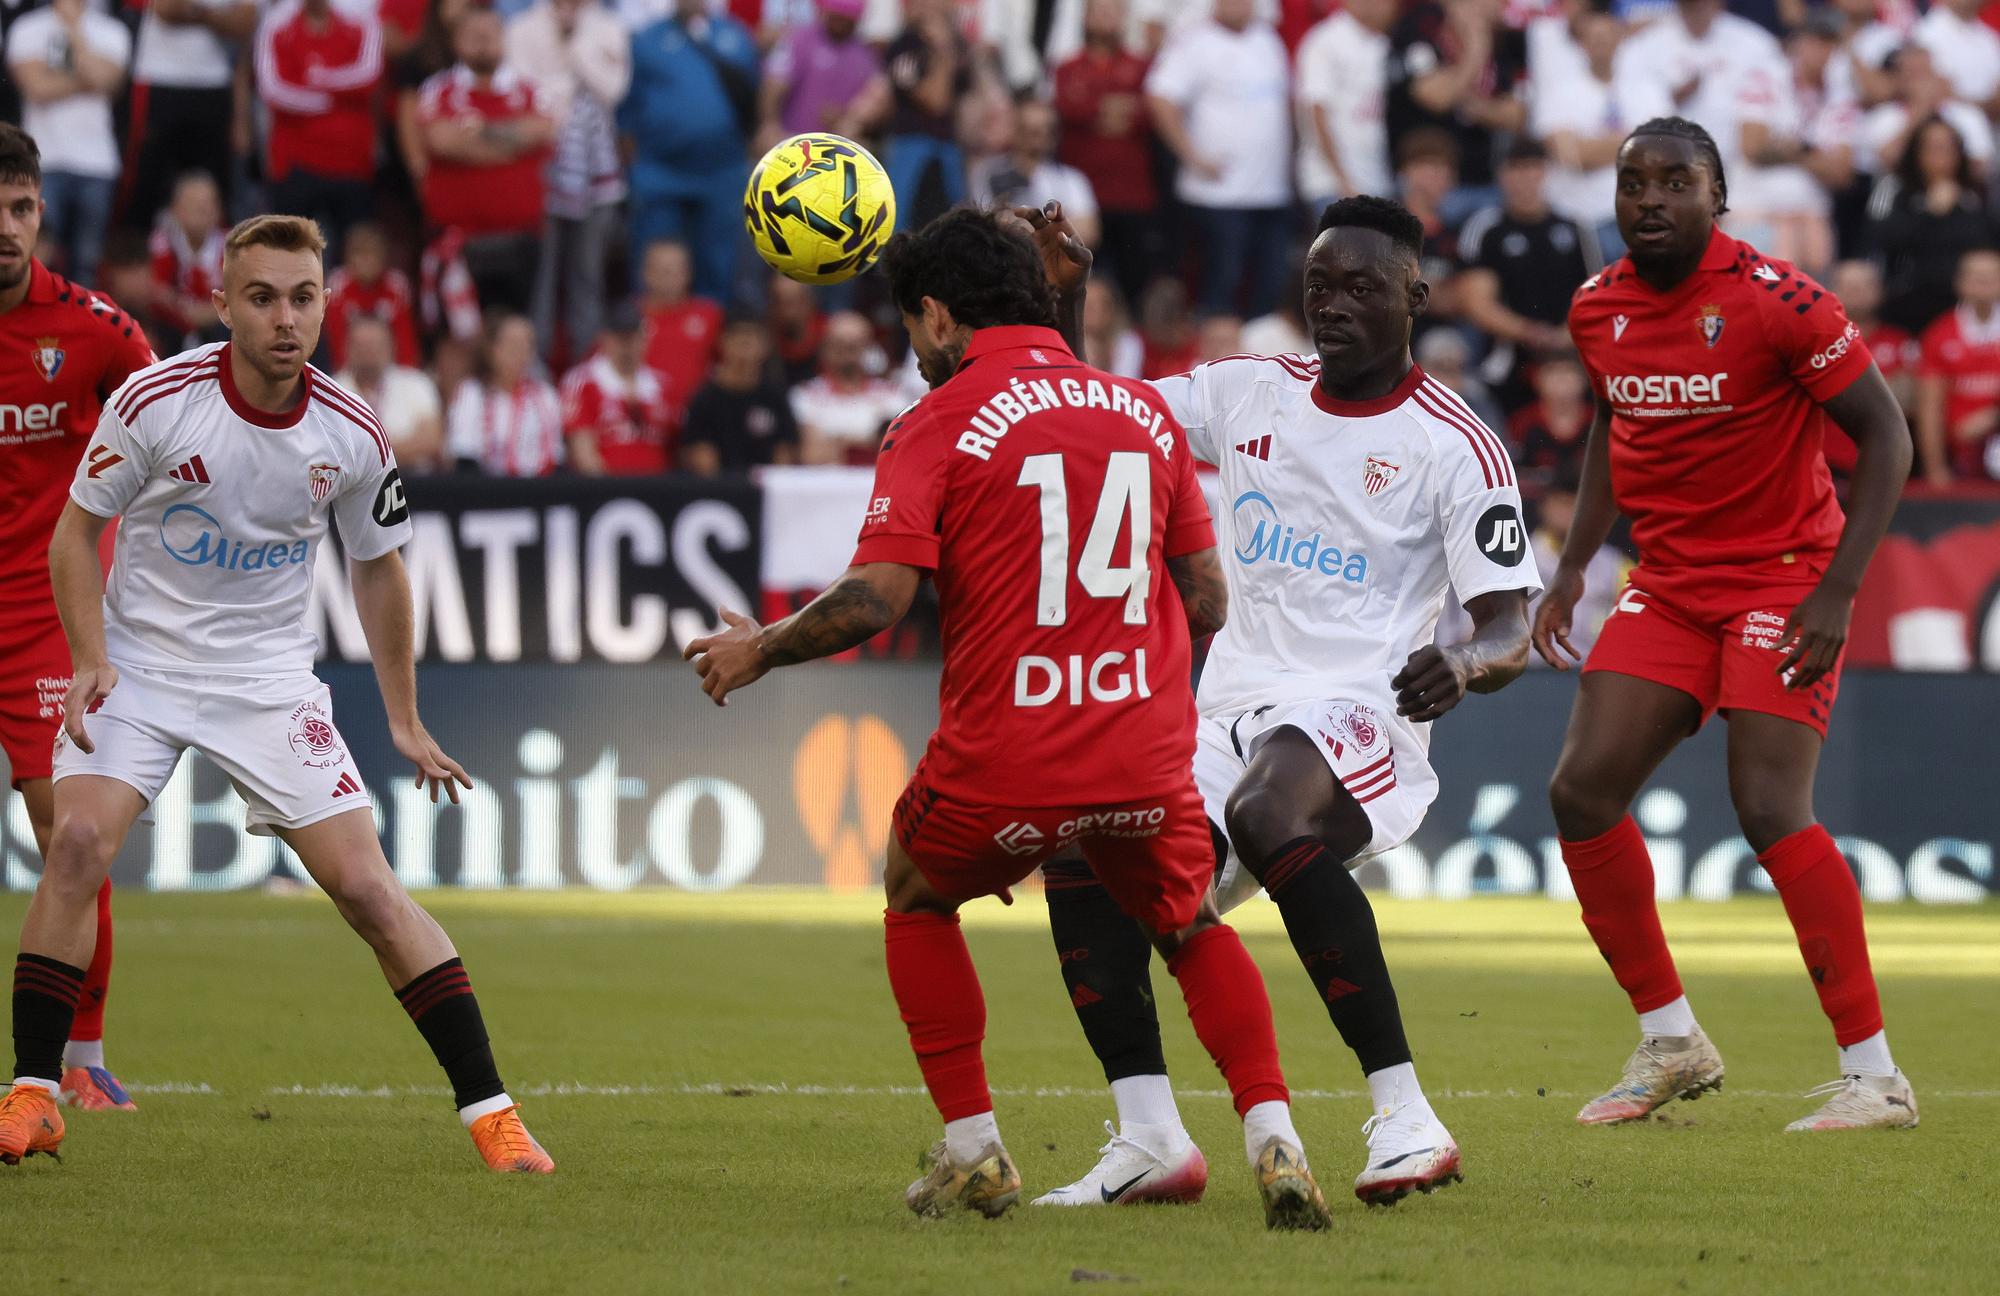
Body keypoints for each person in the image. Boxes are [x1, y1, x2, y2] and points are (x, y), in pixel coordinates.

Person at [683, 206, 1333, 1230]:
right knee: (1185, 923)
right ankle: (1275, 1139)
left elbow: (878, 598)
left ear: (937, 316)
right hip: (1142, 754)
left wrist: (757, 648)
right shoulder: (1139, 412)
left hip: (1007, 757)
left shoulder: (934, 423)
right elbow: (1206, 600)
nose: (912, 350)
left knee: (911, 894)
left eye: (909, 329)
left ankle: (975, 1154)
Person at [0, 213, 553, 1173]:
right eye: (261, 298)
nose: (284, 318)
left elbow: (380, 571)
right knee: (79, 841)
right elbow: (73, 535)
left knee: (369, 891)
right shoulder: (155, 400)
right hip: (142, 663)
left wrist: (405, 717)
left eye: (302, 298)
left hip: (265, 681)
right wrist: (90, 657)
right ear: (222, 305)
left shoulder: (353, 431)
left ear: (326, 305)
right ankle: (34, 1094)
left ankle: (493, 1115)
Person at [1031, 197, 1539, 1209]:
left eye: (1359, 286)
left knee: (1267, 813)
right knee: (1083, 843)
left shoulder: (1453, 445)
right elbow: (1095, 412)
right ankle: (1147, 1141)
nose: (1333, 305)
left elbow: (1508, 625)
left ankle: (1405, 1117)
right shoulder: (1248, 392)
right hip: (1229, 706)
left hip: (1367, 710)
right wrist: (1069, 293)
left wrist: (1467, 665)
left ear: (1413, 296)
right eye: (1317, 285)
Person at [1543, 117, 1917, 1132]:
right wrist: (1572, 564)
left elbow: (1886, 436)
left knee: (1765, 805)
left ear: (1717, 197)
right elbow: (1614, 429)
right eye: (1633, 184)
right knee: (1579, 793)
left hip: (1781, 578)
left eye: (1675, 182)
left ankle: (1873, 1076)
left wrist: (1836, 591)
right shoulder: (1594, 306)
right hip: (1666, 583)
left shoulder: (1779, 301)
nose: (1650, 200)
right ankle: (1669, 1040)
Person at [0, 125, 156, 1115]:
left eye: (18, 208)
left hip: (41, 614)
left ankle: (80, 1059)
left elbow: (175, 421)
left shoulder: (92, 328)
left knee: (73, 834)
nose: (4, 230)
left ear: (41, 211)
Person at [1145, 0, 1292, 320]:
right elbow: (1160, 98)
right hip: (1217, 194)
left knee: (1270, 289)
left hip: (1271, 192)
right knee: (1220, 290)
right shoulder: (1194, 41)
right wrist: (1191, 155)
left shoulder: (1268, 40)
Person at [507, 0, 630, 361]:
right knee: (541, 280)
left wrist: (572, 47)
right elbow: (525, 93)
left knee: (587, 277)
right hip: (540, 168)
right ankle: (533, 368)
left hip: (597, 172)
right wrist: (571, 84)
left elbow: (613, 89)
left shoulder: (609, 26)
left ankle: (586, 366)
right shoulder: (522, 27)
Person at [415, 6, 555, 318]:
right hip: (458, 241)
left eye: (490, 36)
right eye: (474, 36)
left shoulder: (528, 89)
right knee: (457, 338)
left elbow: (542, 130)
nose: (483, 43)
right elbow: (440, 141)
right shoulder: (438, 89)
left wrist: (477, 135)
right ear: (457, 42)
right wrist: (510, 143)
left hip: (520, 238)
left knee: (516, 329)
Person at [621, 0, 759, 305]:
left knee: (718, 264)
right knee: (655, 264)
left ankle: (708, 335)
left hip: (721, 173)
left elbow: (754, 101)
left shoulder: (736, 37)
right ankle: (652, 341)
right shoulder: (647, 40)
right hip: (661, 172)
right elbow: (627, 109)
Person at [1455, 138, 1594, 410]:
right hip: (1508, 360)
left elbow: (1594, 295)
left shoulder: (1576, 227)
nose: (1524, 177)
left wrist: (1564, 336)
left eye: (1532, 167)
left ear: (1544, 171)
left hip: (1569, 356)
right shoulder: (1486, 229)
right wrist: (1530, 332)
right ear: (1502, 175)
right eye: (1515, 168)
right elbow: (1475, 302)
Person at [5, 0, 132, 287]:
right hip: (42, 159)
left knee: (88, 261)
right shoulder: (27, 28)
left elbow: (108, 82)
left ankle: (80, 327)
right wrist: (87, 80)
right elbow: (36, 88)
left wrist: (74, 29)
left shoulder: (111, 30)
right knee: (38, 255)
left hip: (97, 162)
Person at [254, 0, 385, 264]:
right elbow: (272, 89)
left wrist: (318, 78)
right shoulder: (276, 22)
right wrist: (329, 101)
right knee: (288, 252)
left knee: (358, 254)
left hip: (351, 161)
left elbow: (370, 75)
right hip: (296, 161)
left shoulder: (361, 19)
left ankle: (346, 306)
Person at [1051, 0, 1160, 311]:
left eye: (1113, 9)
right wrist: (1115, 107)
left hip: (1133, 195)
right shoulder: (1067, 67)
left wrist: (1096, 107)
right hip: (1082, 200)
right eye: (1099, 10)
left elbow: (1148, 112)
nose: (1106, 17)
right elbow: (1070, 107)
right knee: (1080, 284)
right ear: (1085, 16)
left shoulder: (1143, 66)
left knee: (1133, 287)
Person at [1387, 0, 1527, 219]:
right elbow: (1436, 97)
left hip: (1484, 180)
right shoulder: (1421, 31)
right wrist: (1475, 50)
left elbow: (1515, 116)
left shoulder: (1501, 42)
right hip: (1426, 180)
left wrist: (1468, 104)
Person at [121, 0, 258, 225]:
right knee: (144, 187)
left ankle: (211, 258)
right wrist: (216, 15)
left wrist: (196, 13)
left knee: (213, 190)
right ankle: (138, 256)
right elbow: (166, 10)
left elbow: (245, 22)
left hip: (214, 83)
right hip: (158, 80)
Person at [1870, 115, 2000, 337]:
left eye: (1949, 148)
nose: (1942, 156)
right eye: (1933, 148)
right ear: (1916, 152)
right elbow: (1880, 240)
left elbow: (1990, 243)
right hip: (1913, 295)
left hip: (1969, 298)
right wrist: (1929, 211)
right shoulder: (1894, 188)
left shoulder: (1976, 193)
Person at [1294, 0, 1395, 215]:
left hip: (1376, 180)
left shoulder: (1382, 44)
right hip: (1332, 185)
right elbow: (1315, 113)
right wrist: (1341, 181)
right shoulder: (1327, 40)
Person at [1915, 247, 2000, 485]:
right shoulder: (1939, 334)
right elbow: (1929, 407)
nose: (1983, 283)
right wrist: (1935, 468)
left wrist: (1995, 417)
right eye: (1975, 276)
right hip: (1959, 458)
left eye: (1991, 276)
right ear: (1960, 282)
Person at [968, 99, 1101, 250]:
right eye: (1031, 131)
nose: (1038, 140)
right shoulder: (988, 173)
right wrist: (1055, 228)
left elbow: (1087, 233)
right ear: (1015, 130)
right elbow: (985, 225)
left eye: (1046, 130)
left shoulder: (1072, 180)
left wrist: (1023, 228)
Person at [559, 303, 675, 475]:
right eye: (620, 338)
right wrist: (612, 491)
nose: (627, 346)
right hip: (607, 490)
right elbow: (583, 451)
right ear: (604, 338)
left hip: (658, 490)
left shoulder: (663, 385)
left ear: (645, 339)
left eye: (633, 337)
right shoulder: (583, 382)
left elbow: (674, 448)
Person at [680, 315, 800, 473]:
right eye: (739, 336)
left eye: (753, 337)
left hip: (765, 487)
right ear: (723, 342)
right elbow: (701, 457)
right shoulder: (705, 399)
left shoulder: (775, 397)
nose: (746, 343)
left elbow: (785, 453)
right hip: (721, 489)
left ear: (766, 346)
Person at [447, 313, 564, 476]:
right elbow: (464, 456)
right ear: (493, 349)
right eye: (513, 344)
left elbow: (555, 459)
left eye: (528, 345)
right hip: (487, 492)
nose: (521, 353)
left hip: (537, 492)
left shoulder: (546, 395)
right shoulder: (471, 394)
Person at [758, 0, 878, 149]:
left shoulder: (864, 56)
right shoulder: (799, 40)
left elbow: (873, 102)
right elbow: (775, 84)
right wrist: (770, 125)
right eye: (836, 17)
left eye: (846, 19)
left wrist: (849, 119)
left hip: (836, 148)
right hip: (791, 142)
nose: (840, 24)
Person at [790, 311, 906, 465]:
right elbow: (810, 455)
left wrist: (839, 444)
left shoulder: (894, 395)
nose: (846, 354)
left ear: (869, 348)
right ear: (825, 347)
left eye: (854, 346)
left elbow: (898, 452)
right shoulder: (804, 396)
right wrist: (868, 443)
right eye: (839, 345)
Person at [338, 315, 446, 471]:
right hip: (352, 489)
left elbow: (431, 441)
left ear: (392, 346)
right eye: (362, 345)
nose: (369, 352)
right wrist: (402, 448)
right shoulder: (331, 388)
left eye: (376, 345)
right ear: (347, 347)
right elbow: (329, 450)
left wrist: (365, 456)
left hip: (413, 486)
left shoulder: (416, 383)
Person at [637, 240, 725, 410]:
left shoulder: (709, 316)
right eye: (661, 270)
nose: (668, 277)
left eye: (675, 270)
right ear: (645, 273)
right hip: (646, 420)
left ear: (688, 274)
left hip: (697, 418)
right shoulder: (629, 320)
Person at [324, 223, 423, 371]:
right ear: (347, 257)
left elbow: (406, 343)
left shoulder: (397, 286)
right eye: (359, 254)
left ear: (384, 257)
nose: (366, 261)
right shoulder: (337, 285)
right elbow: (334, 341)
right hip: (347, 373)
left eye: (372, 254)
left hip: (390, 372)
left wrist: (406, 375)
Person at [149, 172, 227, 350]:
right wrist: (185, 312)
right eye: (195, 204)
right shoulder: (164, 241)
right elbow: (156, 290)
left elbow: (237, 296)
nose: (204, 210)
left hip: (217, 325)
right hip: (172, 327)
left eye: (210, 203)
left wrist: (204, 314)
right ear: (175, 209)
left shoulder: (231, 245)